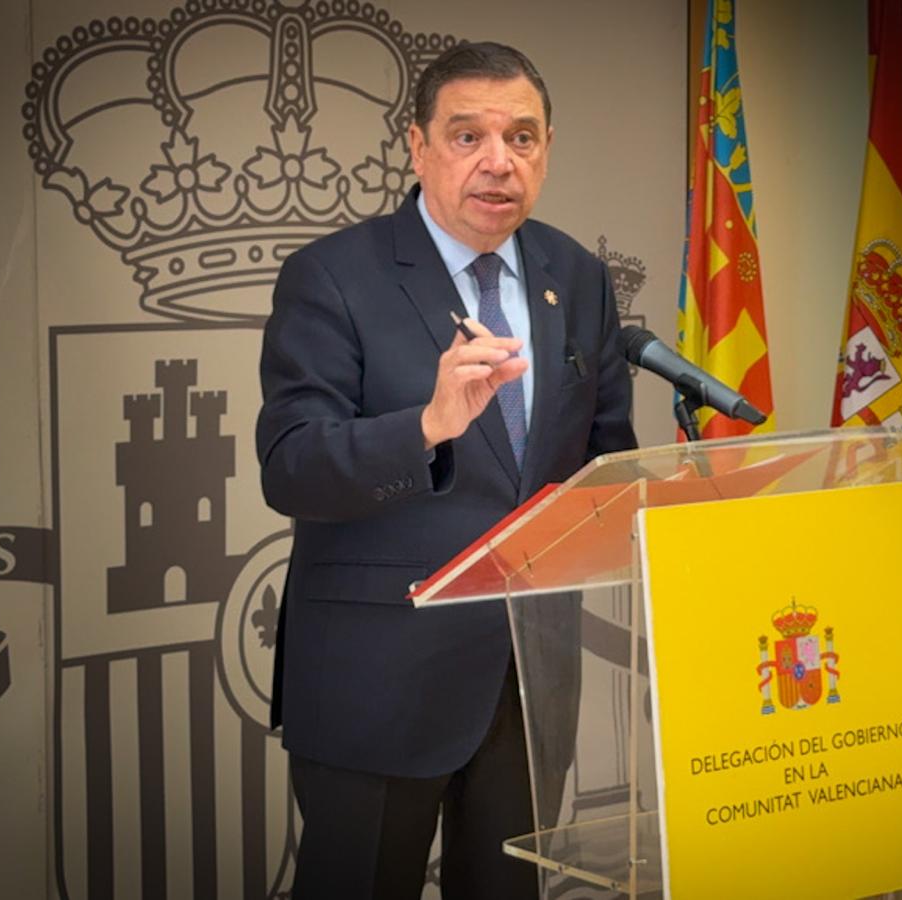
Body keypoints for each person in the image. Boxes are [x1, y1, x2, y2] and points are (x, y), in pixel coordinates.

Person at [255, 41, 637, 900]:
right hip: (378, 678)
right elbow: (291, 466)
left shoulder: (576, 276)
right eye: (468, 136)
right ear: (418, 146)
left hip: (527, 678)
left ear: (547, 150)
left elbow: (603, 461)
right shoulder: (333, 276)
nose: (499, 161)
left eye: (522, 137)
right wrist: (427, 426)